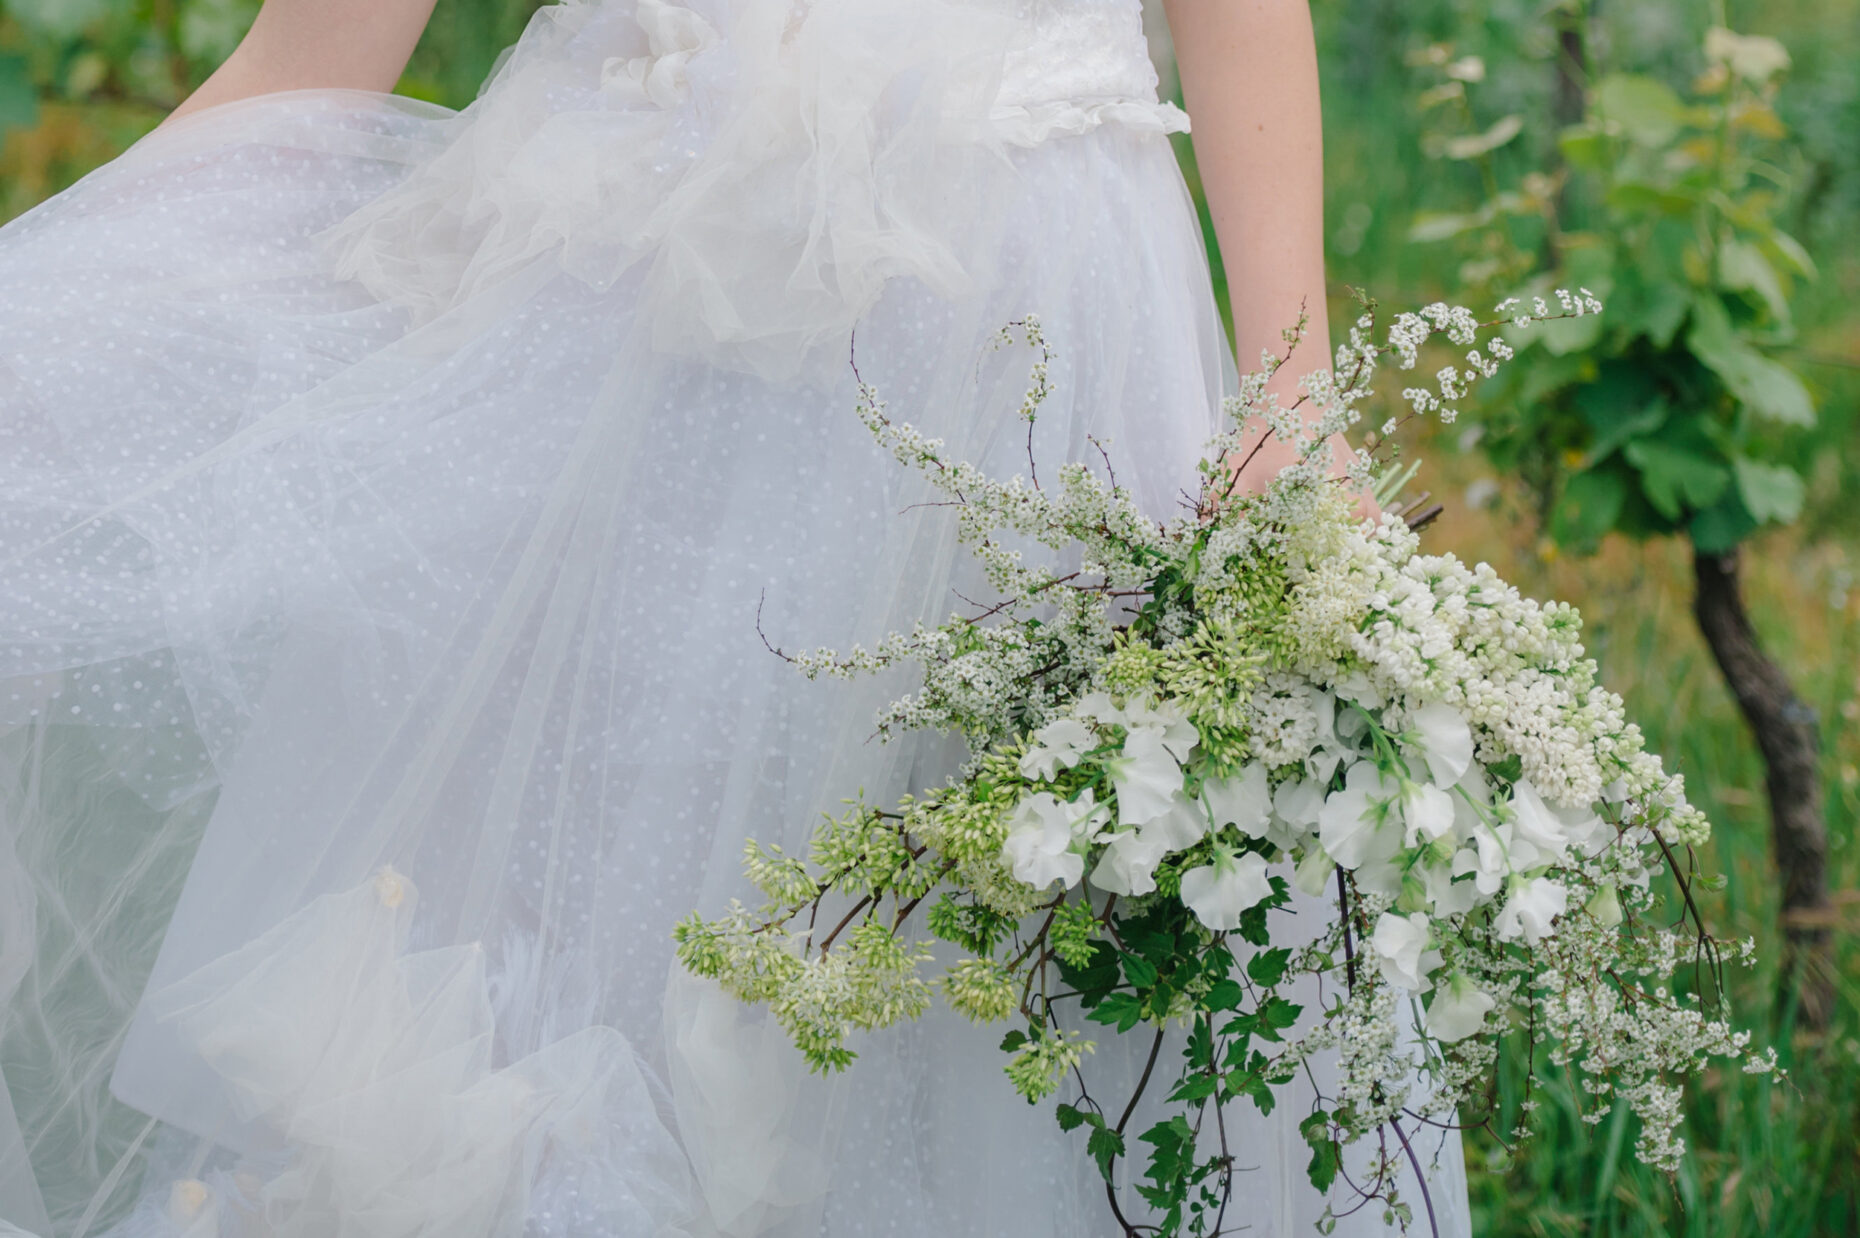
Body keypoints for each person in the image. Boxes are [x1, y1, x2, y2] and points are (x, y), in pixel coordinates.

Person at [0, 1, 1465, 1234]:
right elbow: (307, 70)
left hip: (1037, 366)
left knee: (1011, 975)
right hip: (638, 399)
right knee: (595, 1010)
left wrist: (1291, 387)